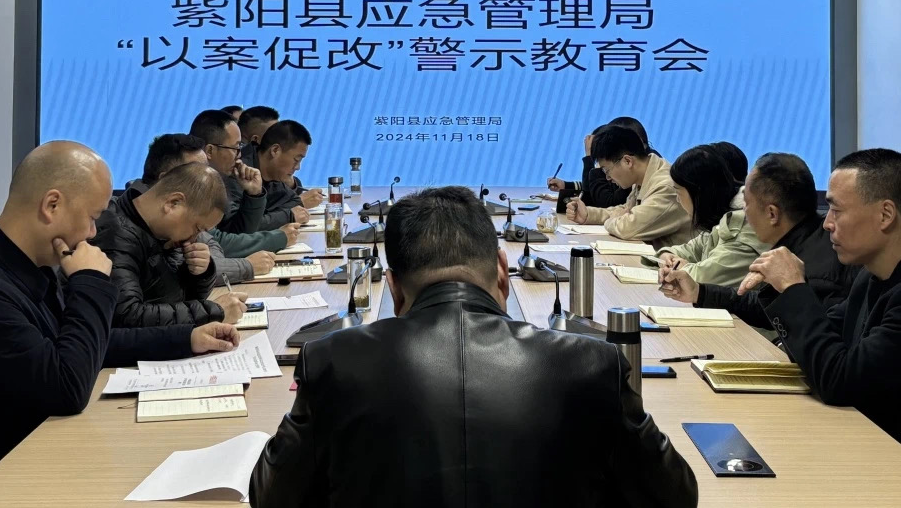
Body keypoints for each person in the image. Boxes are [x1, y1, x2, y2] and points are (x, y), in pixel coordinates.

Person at [249, 186, 698, 508]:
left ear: (394, 289)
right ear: (503, 271)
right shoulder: (593, 363)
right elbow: (674, 497)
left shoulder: (331, 360)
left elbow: (271, 497)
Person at [664, 148, 901, 507]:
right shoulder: (879, 273)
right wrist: (709, 292)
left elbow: (840, 380)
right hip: (881, 452)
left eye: (837, 210)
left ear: (885, 215)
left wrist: (794, 288)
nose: (827, 223)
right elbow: (824, 331)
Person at [0, 142, 239, 493]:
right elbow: (67, 388)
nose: (93, 233)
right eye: (92, 217)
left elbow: (80, 345)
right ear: (52, 206)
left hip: (19, 457)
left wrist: (186, 338)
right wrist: (91, 283)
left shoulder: (26, 264)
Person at [659, 152, 856, 321]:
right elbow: (766, 305)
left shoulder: (818, 269)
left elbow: (812, 337)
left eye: (746, 203)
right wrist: (699, 293)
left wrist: (793, 290)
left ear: (772, 214)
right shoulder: (802, 243)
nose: (743, 212)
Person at [95, 161, 249, 327]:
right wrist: (214, 311)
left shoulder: (160, 232)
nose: (194, 238)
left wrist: (199, 273)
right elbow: (128, 316)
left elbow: (180, 302)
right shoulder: (115, 236)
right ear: (173, 203)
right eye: (197, 228)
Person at [126, 134, 278, 284]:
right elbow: (176, 274)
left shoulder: (185, 211)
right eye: (194, 173)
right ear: (165, 180)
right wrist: (246, 266)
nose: (203, 180)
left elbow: (212, 245)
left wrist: (206, 265)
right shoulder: (131, 226)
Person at [564, 125, 694, 249]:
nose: (607, 178)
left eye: (606, 170)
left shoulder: (666, 187)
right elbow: (625, 210)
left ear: (627, 161)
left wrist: (615, 218)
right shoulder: (645, 175)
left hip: (676, 262)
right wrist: (588, 214)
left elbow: (628, 228)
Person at [656, 145, 765, 287]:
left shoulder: (743, 225)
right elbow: (691, 250)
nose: (677, 199)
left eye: (678, 192)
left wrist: (680, 268)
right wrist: (666, 255)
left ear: (699, 193)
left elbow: (706, 278)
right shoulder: (720, 218)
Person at [548, 117, 655, 208]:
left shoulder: (657, 183)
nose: (608, 177)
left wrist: (590, 158)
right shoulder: (637, 171)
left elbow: (601, 202)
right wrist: (566, 185)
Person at [190, 109, 268, 234]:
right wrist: (281, 236)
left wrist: (254, 195)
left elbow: (235, 231)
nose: (239, 155)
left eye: (240, 147)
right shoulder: (190, 183)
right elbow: (222, 241)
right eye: (235, 148)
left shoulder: (219, 179)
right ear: (209, 151)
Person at [255, 120, 313, 230]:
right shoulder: (240, 173)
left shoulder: (274, 176)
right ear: (275, 150)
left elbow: (294, 201)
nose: (298, 167)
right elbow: (244, 227)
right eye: (296, 160)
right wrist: (288, 216)